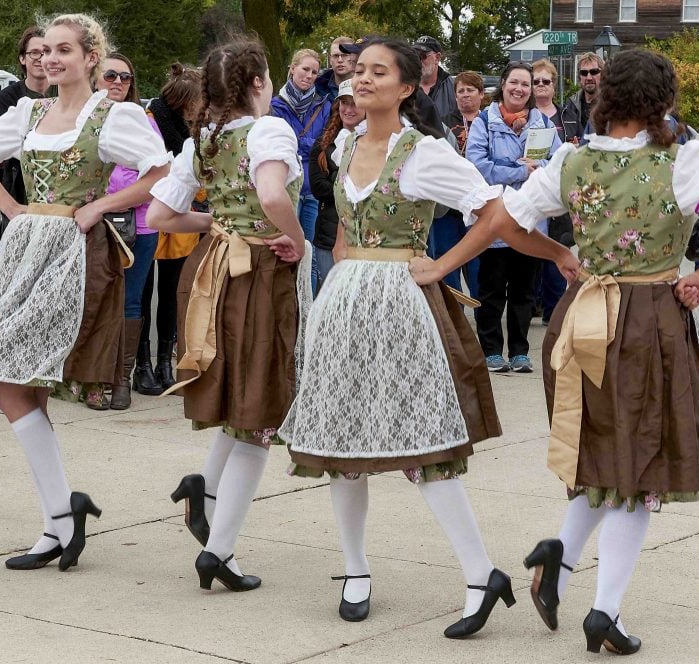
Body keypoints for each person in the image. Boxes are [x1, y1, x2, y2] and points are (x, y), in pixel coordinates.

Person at [414, 48, 699, 655]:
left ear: (605, 98)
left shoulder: (571, 160)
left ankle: (560, 561)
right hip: (652, 318)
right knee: (641, 466)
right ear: (662, 102)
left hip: (581, 319)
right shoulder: (682, 162)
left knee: (603, 450)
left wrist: (556, 257)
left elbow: (502, 222)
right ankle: (603, 611)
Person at [279, 39, 569, 637]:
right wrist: (332, 288)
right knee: (342, 445)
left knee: (428, 446)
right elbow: (339, 235)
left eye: (377, 72)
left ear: (408, 87)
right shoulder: (344, 143)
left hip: (401, 307)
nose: (362, 80)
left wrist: (439, 266)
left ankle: (480, 573)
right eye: (358, 70)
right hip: (345, 303)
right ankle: (355, 571)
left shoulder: (424, 153)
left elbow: (494, 212)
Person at [0, 14, 170, 569]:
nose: (50, 59)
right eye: (45, 50)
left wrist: (100, 205)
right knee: (16, 380)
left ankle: (60, 518)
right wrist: (10, 207)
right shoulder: (28, 111)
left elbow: (159, 172)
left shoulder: (114, 115)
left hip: (73, 254)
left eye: (64, 50)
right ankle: (59, 516)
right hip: (24, 247)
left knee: (9, 378)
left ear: (91, 58)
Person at [148, 37, 307, 593]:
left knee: (244, 400)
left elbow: (160, 214)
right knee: (258, 412)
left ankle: (204, 487)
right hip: (261, 273)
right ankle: (219, 550)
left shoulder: (202, 141)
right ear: (259, 82)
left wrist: (216, 224)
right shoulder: (270, 130)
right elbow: (270, 193)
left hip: (215, 271)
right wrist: (296, 237)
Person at [467, 61, 562, 374]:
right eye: (514, 83)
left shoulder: (544, 126)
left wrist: (537, 169)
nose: (520, 89)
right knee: (491, 289)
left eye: (526, 84)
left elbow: (558, 165)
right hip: (494, 217)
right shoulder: (484, 121)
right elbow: (478, 165)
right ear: (503, 85)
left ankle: (520, 351)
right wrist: (521, 170)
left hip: (530, 221)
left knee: (524, 291)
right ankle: (492, 350)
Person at [93, 52, 163, 410]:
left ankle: (121, 379)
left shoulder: (143, 121)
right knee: (97, 298)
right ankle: (94, 378)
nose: (119, 82)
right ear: (95, 77)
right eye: (111, 75)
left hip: (140, 224)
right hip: (94, 224)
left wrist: (119, 196)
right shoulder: (83, 119)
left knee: (131, 300)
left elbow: (158, 171)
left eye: (126, 77)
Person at [138, 62, 203, 394]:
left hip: (181, 220)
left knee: (173, 294)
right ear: (183, 100)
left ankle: (166, 360)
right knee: (144, 292)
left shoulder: (192, 128)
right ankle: (142, 364)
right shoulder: (150, 122)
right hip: (151, 216)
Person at [270, 48, 330, 278]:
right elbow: (278, 145)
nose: (309, 75)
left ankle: (310, 311)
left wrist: (298, 143)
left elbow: (323, 144)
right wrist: (307, 144)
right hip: (286, 188)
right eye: (305, 69)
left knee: (310, 254)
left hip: (312, 188)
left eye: (314, 72)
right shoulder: (275, 106)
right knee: (287, 253)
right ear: (292, 68)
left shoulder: (323, 106)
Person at [430, 70, 486, 296]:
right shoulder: (443, 123)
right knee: (447, 266)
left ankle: (482, 321)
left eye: (470, 90)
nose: (465, 95)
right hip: (449, 209)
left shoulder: (490, 122)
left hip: (477, 208)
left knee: (478, 268)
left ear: (481, 94)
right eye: (460, 91)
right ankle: (455, 320)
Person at [308, 78, 364, 290]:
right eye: (344, 103)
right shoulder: (323, 143)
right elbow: (319, 188)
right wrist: (350, 181)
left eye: (354, 103)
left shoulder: (380, 142)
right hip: (329, 234)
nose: (348, 109)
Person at [0, 26, 53, 204]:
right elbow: (14, 141)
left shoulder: (66, 92)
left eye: (45, 52)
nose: (40, 59)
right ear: (22, 58)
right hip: (20, 185)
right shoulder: (8, 97)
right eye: (34, 53)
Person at [531, 58, 568, 325]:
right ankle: (533, 303)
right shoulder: (525, 116)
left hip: (560, 191)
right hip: (533, 191)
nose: (541, 86)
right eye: (537, 81)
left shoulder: (568, 115)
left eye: (547, 81)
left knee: (559, 248)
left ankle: (553, 311)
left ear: (554, 85)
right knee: (533, 249)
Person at [561, 52, 602, 144]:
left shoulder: (611, 104)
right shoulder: (571, 103)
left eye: (594, 72)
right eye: (584, 73)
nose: (589, 77)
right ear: (579, 77)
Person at [414, 35, 456, 119]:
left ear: (437, 58)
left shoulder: (453, 87)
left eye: (422, 56)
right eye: (415, 55)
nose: (418, 60)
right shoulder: (405, 86)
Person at [315, 37, 355, 101]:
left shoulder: (366, 86)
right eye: (336, 56)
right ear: (330, 59)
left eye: (345, 55)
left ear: (355, 57)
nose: (340, 60)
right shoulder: (317, 88)